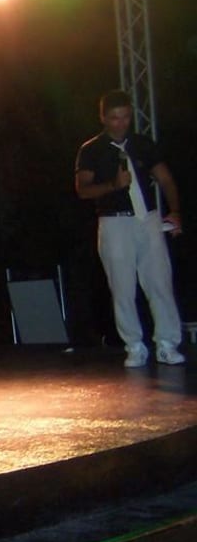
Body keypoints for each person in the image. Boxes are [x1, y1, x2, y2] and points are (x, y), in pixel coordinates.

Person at [75, 89, 185, 367]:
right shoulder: (91, 150)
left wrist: (175, 212)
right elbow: (82, 190)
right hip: (114, 221)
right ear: (103, 117)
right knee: (122, 288)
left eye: (125, 117)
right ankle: (134, 346)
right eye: (114, 118)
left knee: (160, 282)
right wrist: (113, 185)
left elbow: (166, 179)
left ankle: (167, 344)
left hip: (147, 218)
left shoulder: (142, 144)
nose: (120, 123)